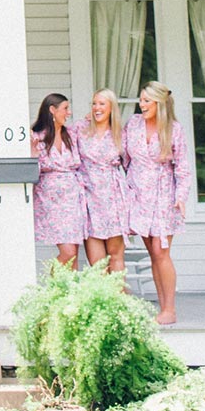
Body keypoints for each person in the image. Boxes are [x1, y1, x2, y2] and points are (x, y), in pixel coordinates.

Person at [124, 82, 191, 325]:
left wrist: (181, 197)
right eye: (141, 100)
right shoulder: (133, 124)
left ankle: (170, 309)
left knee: (162, 252)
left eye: (147, 101)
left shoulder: (174, 129)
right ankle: (162, 308)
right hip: (138, 194)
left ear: (159, 103)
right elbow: (123, 158)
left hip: (163, 196)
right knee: (153, 253)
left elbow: (183, 168)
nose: (142, 105)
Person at [75, 89, 129, 274]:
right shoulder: (80, 130)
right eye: (94, 103)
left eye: (102, 104)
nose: (97, 108)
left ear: (111, 107)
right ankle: (103, 300)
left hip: (113, 199)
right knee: (97, 263)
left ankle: (118, 301)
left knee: (115, 256)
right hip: (89, 199)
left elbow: (131, 166)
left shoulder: (121, 134)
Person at [30, 92, 85, 269]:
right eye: (65, 109)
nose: (68, 113)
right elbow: (32, 172)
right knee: (68, 252)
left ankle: (69, 295)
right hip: (51, 200)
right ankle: (53, 287)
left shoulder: (71, 134)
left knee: (73, 254)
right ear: (52, 110)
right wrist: (33, 153)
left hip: (73, 199)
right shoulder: (37, 137)